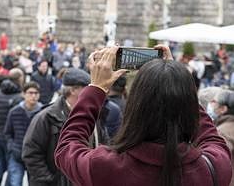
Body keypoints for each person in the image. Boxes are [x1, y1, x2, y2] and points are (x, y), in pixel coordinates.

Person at [55, 46, 232, 186]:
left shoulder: (106, 167)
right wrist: (178, 83)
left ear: (136, 106)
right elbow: (211, 138)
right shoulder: (213, 168)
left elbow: (67, 147)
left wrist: (96, 88)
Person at [22, 68, 90, 186]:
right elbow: (31, 154)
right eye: (87, 88)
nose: (91, 92)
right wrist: (50, 180)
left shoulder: (92, 115)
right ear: (73, 90)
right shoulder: (46, 117)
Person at [4, 81, 42, 186]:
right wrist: (12, 147)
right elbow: (8, 133)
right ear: (23, 94)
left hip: (35, 157)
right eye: (30, 93)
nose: (33, 96)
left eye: (36, 93)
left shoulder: (43, 113)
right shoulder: (14, 111)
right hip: (17, 154)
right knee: (15, 182)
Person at [211, 90, 234, 186]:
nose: (211, 105)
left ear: (223, 109)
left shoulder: (221, 133)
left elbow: (220, 165)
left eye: (214, 102)